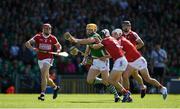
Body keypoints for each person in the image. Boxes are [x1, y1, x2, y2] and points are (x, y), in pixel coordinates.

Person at [66, 28, 132, 102]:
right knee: (92, 80)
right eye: (87, 30)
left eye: (90, 30)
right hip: (107, 61)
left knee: (111, 80)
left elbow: (93, 46)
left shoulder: (101, 39)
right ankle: (125, 94)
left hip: (111, 61)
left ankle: (120, 95)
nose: (88, 31)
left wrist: (75, 40)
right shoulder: (111, 40)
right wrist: (86, 58)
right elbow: (89, 49)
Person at [112, 28, 168, 100]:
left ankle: (162, 88)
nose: (113, 35)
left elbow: (119, 51)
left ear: (119, 34)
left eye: (115, 34)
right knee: (125, 76)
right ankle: (127, 95)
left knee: (147, 78)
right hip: (131, 62)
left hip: (139, 60)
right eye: (113, 34)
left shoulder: (120, 40)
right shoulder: (119, 40)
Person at [25, 23, 61, 101]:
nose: (47, 30)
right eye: (46, 28)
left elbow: (59, 46)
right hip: (40, 59)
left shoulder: (53, 38)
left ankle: (42, 94)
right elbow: (27, 43)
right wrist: (33, 48)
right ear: (43, 29)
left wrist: (58, 50)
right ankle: (55, 87)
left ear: (50, 29)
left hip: (49, 58)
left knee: (43, 75)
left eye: (49, 28)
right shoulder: (38, 36)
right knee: (47, 79)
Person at [121, 20, 147, 97]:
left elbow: (142, 43)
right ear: (122, 27)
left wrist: (132, 49)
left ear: (130, 26)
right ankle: (142, 87)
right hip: (125, 58)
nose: (126, 27)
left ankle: (127, 94)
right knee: (135, 75)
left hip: (133, 58)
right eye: (124, 25)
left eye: (128, 25)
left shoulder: (133, 34)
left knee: (125, 76)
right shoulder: (120, 35)